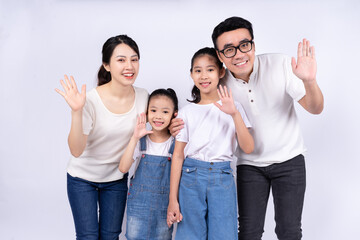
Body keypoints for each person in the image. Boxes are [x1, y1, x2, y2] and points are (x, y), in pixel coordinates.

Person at [211, 17, 324, 240]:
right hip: (249, 166)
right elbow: (201, 114)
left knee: (289, 232)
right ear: (219, 56)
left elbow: (315, 108)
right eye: (229, 50)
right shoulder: (219, 84)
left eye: (244, 45)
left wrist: (310, 81)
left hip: (289, 161)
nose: (239, 54)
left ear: (253, 44)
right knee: (249, 233)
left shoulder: (280, 64)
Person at [55, 35, 148, 240]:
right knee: (88, 237)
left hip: (116, 179)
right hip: (82, 179)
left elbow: (160, 125)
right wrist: (76, 112)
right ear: (106, 65)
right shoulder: (90, 100)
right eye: (121, 60)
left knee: (110, 236)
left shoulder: (143, 97)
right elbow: (77, 151)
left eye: (134, 59)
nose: (130, 66)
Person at [167, 47, 254, 240]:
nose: (203, 76)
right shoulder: (186, 113)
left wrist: (234, 114)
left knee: (224, 234)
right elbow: (178, 155)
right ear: (191, 74)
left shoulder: (235, 107)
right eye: (198, 70)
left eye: (210, 69)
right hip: (191, 177)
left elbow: (248, 147)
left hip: (222, 177)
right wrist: (173, 199)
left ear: (221, 72)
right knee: (189, 234)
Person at [118, 88, 179, 240]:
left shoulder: (176, 144)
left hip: (165, 207)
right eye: (153, 110)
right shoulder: (141, 142)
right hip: (138, 206)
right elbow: (123, 168)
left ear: (174, 114)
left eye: (165, 112)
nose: (158, 116)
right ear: (146, 112)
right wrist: (134, 137)